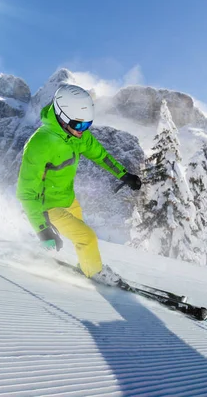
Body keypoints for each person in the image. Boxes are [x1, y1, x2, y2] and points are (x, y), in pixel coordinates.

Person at [16, 84, 142, 280]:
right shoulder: (39, 144)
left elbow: (101, 156)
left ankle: (86, 265)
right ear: (62, 118)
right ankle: (96, 274)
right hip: (47, 207)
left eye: (87, 124)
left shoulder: (77, 136)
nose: (83, 130)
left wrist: (124, 175)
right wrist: (43, 230)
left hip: (69, 200)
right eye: (79, 125)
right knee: (88, 238)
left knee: (81, 236)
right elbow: (26, 192)